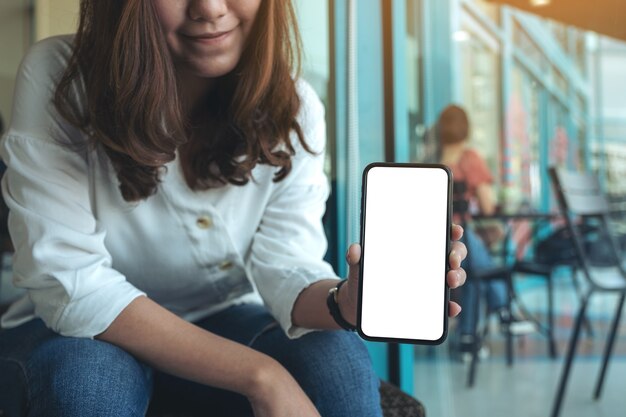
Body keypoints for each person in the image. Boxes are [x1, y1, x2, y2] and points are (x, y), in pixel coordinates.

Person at [0, 1, 467, 416]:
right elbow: (70, 282)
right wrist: (261, 375)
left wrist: (343, 302)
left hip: (223, 317)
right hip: (76, 334)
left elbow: (285, 264)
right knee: (89, 382)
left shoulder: (295, 106)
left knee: (336, 360)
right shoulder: (61, 78)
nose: (209, 8)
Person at [437, 105, 533, 356]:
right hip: (458, 237)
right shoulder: (469, 159)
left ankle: (468, 337)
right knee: (473, 254)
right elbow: (489, 206)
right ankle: (503, 309)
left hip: (434, 241)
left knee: (471, 267)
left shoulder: (431, 158)